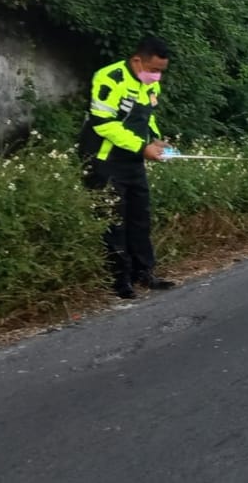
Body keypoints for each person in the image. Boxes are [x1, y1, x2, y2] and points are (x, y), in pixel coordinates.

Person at [77, 36, 176, 299]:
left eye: (161, 72)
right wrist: (143, 148)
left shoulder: (149, 86)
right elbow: (103, 123)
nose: (157, 76)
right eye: (153, 70)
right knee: (114, 222)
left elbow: (147, 118)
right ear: (136, 61)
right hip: (104, 161)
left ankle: (144, 273)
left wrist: (155, 139)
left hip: (133, 160)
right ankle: (121, 281)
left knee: (139, 217)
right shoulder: (110, 78)